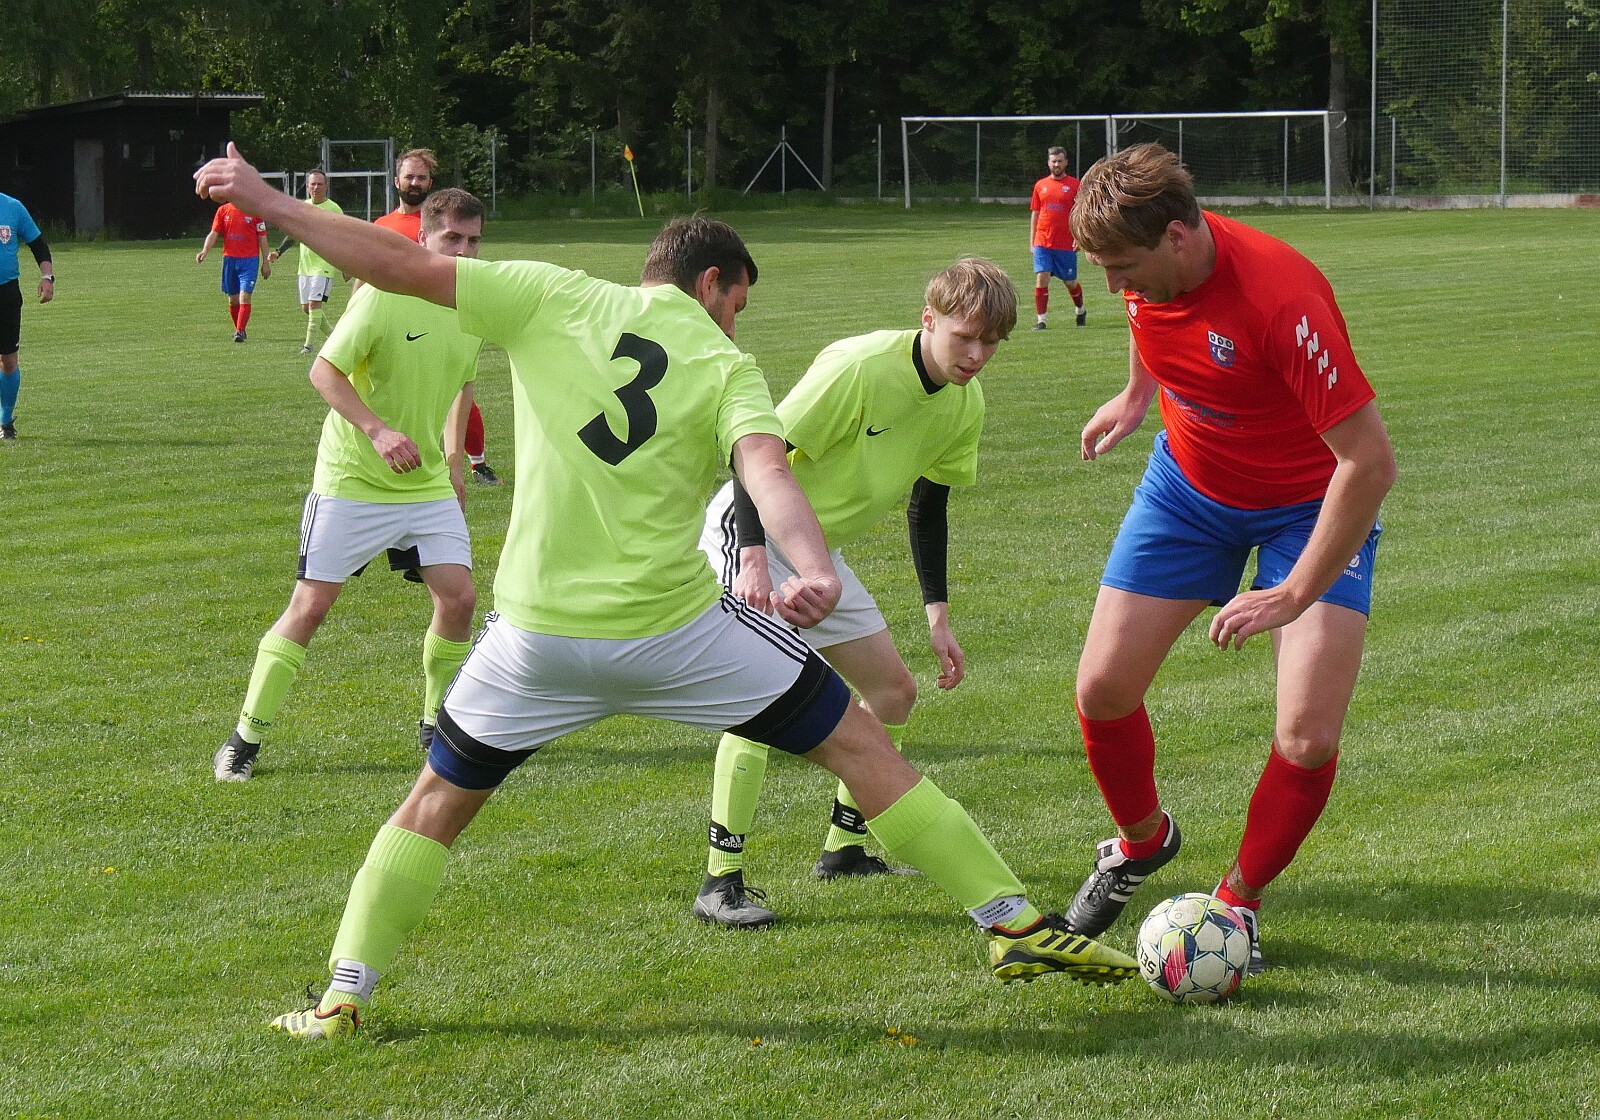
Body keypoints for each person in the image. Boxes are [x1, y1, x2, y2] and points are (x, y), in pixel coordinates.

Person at [194, 144, 1139, 1041]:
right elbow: (767, 471)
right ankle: (1013, 922)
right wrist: (813, 566)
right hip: (676, 632)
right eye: (739, 305)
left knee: (431, 804)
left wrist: (270, 202)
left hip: (536, 640)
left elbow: (394, 264)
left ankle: (344, 998)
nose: (736, 325)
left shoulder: (550, 294)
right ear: (710, 283)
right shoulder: (726, 365)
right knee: (859, 740)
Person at [1062, 142, 1397, 973]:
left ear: (1179, 236)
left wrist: (1293, 593)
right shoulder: (1150, 269)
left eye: (1123, 268)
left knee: (1307, 734)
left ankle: (1236, 902)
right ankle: (1143, 843)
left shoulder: (1282, 299)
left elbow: (1369, 463)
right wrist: (1137, 394)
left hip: (1309, 506)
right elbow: (1150, 317)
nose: (1114, 286)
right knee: (1102, 690)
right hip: (1188, 489)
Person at [691, 257, 1016, 929]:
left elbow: (930, 507)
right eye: (965, 337)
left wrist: (939, 618)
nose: (977, 355)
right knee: (760, 695)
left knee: (893, 691)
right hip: (753, 530)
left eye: (991, 342)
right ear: (928, 320)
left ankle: (844, 848)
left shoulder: (966, 404)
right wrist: (753, 558)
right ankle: (720, 880)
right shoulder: (861, 366)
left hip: (819, 555)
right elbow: (755, 456)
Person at [212, 187, 486, 783]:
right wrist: (378, 431)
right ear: (423, 237)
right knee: (310, 607)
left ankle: (435, 722)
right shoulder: (382, 297)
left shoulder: (473, 306)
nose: (464, 252)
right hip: (352, 480)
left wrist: (454, 463)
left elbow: (461, 389)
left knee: (459, 600)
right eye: (452, 239)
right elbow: (323, 371)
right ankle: (245, 737)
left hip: (424, 486)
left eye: (473, 241)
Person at [374, 148, 502, 486]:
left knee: (460, 391)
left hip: (447, 314)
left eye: (422, 177)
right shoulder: (383, 226)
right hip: (398, 322)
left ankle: (474, 462)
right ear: (396, 181)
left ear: (430, 182)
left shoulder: (444, 221)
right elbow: (369, 274)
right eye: (410, 176)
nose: (415, 183)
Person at [267, 169, 345, 354]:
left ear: (326, 186)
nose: (316, 187)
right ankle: (335, 336)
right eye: (313, 184)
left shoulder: (334, 209)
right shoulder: (303, 207)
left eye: (320, 184)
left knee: (314, 304)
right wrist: (278, 252)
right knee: (306, 308)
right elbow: (294, 234)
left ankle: (308, 346)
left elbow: (344, 237)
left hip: (324, 264)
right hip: (305, 265)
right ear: (308, 187)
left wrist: (346, 264)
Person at [0, 190, 54, 440]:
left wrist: (47, 278)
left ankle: (6, 421)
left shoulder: (13, 207)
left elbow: (38, 245)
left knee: (8, 360)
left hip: (6, 293)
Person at [1029, 146, 1086, 330]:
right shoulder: (1040, 185)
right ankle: (1041, 320)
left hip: (1065, 242)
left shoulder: (1075, 185)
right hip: (1043, 241)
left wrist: (1079, 237)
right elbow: (1035, 213)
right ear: (1048, 163)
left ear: (1066, 162)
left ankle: (1080, 309)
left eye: (1060, 161)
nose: (1056, 164)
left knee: (1070, 282)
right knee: (1042, 276)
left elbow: (1081, 213)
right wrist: (1032, 241)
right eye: (1053, 161)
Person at [197, 199, 270, 341]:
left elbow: (263, 238)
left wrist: (266, 262)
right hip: (230, 260)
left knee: (245, 296)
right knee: (233, 300)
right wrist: (205, 250)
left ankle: (240, 332)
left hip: (249, 261)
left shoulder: (254, 211)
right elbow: (214, 233)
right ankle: (239, 329)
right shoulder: (223, 210)